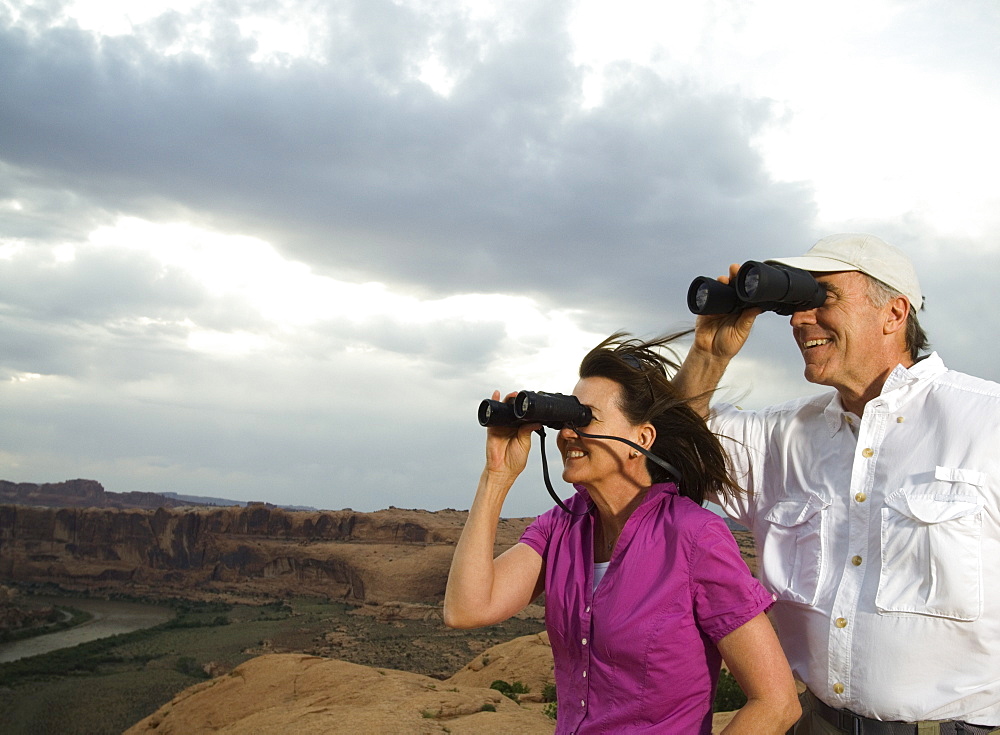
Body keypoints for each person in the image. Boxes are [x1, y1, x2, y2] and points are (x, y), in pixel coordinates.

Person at [674, 233, 1000, 733]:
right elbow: (674, 450)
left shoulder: (988, 421)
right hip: (818, 722)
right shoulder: (781, 436)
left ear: (894, 313)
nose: (800, 320)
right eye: (795, 305)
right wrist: (708, 354)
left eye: (822, 300)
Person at [444, 332, 800, 734]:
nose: (567, 434)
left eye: (585, 418)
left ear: (641, 439)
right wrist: (496, 476)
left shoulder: (694, 537)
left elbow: (776, 702)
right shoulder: (561, 527)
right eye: (565, 419)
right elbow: (466, 609)